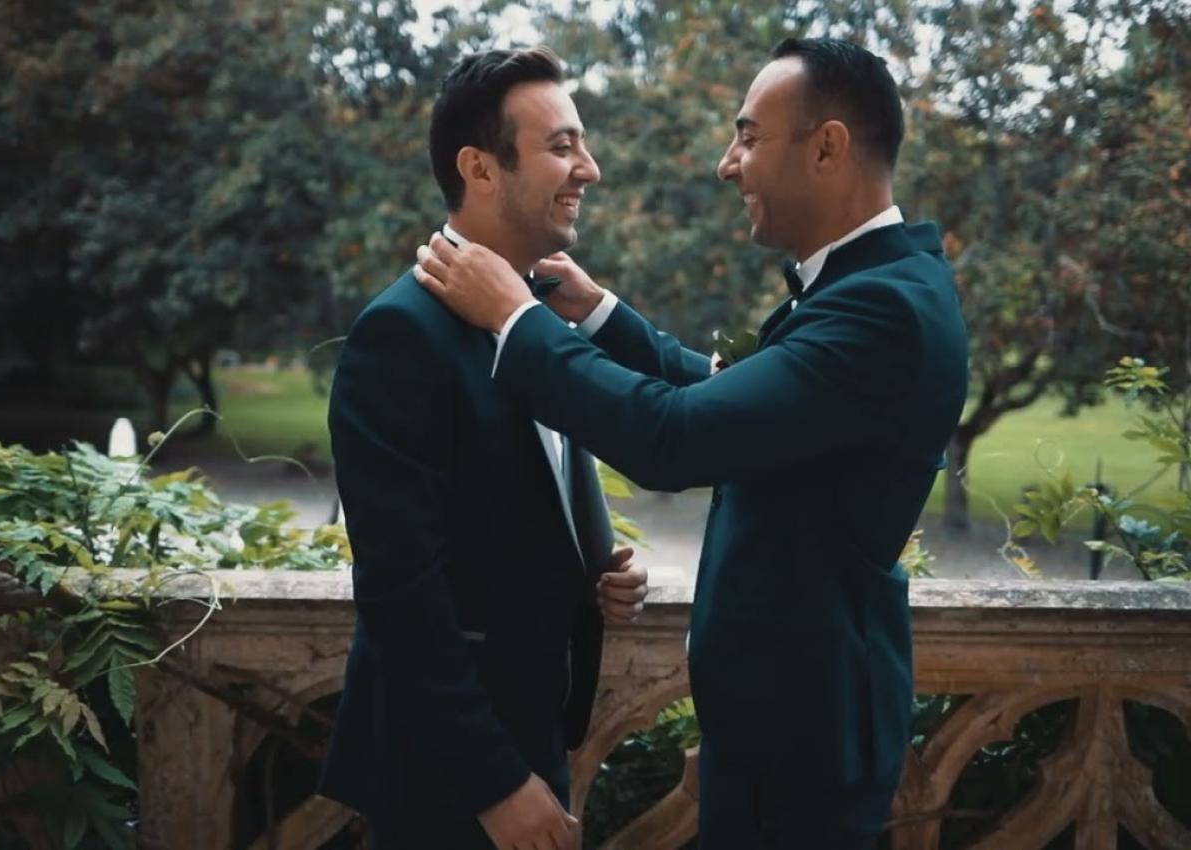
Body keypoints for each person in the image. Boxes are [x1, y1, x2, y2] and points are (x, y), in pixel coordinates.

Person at [413, 37, 969, 849]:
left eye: (748, 136)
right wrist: (602, 315)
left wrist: (516, 319)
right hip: (787, 723)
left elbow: (675, 438)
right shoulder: (873, 285)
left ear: (827, 147)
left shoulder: (883, 310)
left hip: (804, 740)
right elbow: (728, 400)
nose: (727, 164)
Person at [318, 46, 648, 850]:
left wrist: (591, 569)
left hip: (535, 732)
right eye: (562, 146)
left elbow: (514, 502)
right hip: (450, 774)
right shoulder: (401, 334)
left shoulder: (540, 316)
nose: (589, 169)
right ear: (480, 168)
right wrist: (494, 783)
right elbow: (401, 591)